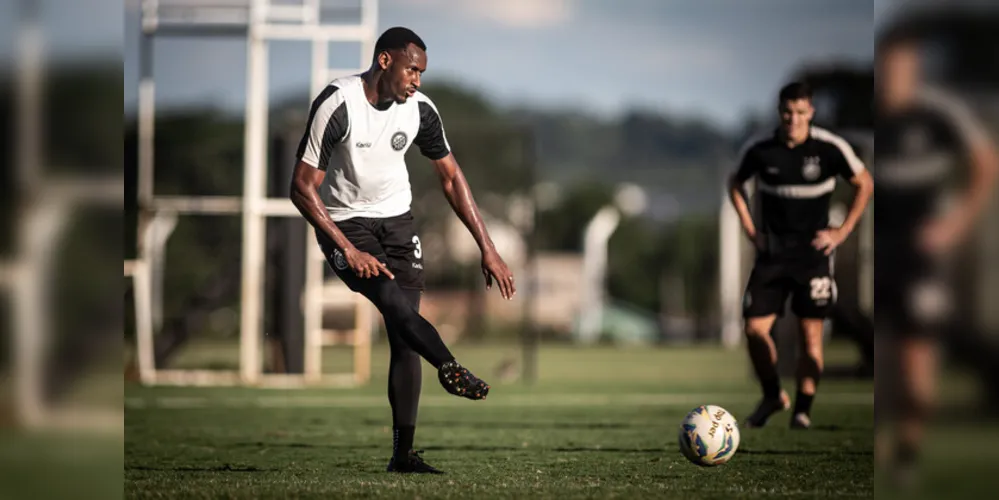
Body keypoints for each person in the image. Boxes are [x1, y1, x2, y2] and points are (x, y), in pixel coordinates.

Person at [289, 27, 517, 474]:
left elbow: (451, 178)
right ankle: (450, 367)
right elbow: (301, 187)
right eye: (412, 69)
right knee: (394, 305)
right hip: (347, 225)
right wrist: (346, 248)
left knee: (404, 336)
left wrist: (487, 248)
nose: (418, 80)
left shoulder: (420, 111)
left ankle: (403, 456)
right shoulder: (339, 102)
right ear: (385, 61)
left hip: (398, 224)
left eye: (423, 73)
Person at [873, 30, 998, 486]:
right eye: (886, 69)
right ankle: (886, 450)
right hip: (878, 256)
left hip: (920, 259)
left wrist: (955, 225)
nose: (892, 78)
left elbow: (987, 162)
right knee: (881, 362)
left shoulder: (938, 113)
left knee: (916, 367)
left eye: (901, 69)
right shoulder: (875, 120)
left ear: (915, 70)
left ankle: (908, 452)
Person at [727, 82, 874, 430]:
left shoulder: (829, 148)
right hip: (772, 255)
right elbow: (735, 183)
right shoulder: (760, 149)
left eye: (800, 113)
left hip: (813, 256)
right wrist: (751, 230)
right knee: (753, 329)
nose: (793, 119)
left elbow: (864, 183)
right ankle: (773, 394)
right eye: (787, 112)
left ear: (811, 113)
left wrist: (842, 231)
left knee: (811, 337)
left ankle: (803, 411)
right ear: (779, 111)